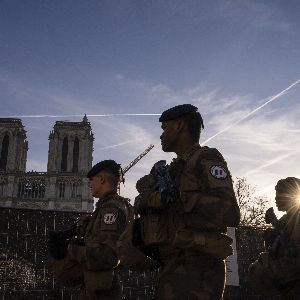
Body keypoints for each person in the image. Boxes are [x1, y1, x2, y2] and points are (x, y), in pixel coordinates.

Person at [133, 104, 240, 299]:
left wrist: (182, 198)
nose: (161, 135)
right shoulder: (173, 170)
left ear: (180, 126)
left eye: (165, 128)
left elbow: (230, 212)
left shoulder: (206, 158)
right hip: (172, 264)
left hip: (199, 270)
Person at [48, 160, 133, 300]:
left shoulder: (111, 209)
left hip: (103, 294)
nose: (89, 185)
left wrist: (69, 249)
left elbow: (109, 256)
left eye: (92, 180)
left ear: (102, 179)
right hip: (94, 289)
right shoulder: (104, 208)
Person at [248, 177, 300, 299]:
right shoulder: (286, 219)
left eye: (280, 194)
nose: (276, 198)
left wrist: (268, 265)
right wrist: (271, 237)